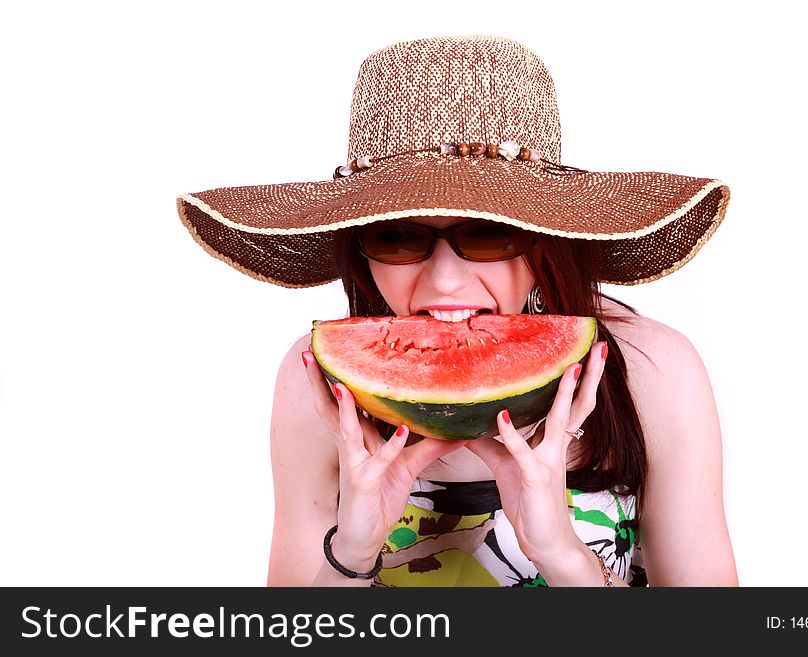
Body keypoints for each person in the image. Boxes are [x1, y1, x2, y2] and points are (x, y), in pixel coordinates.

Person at [177, 35, 738, 587]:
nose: (444, 279)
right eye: (397, 236)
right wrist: (352, 552)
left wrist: (562, 556)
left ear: (545, 238)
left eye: (489, 234)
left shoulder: (650, 372)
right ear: (357, 247)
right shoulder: (320, 386)